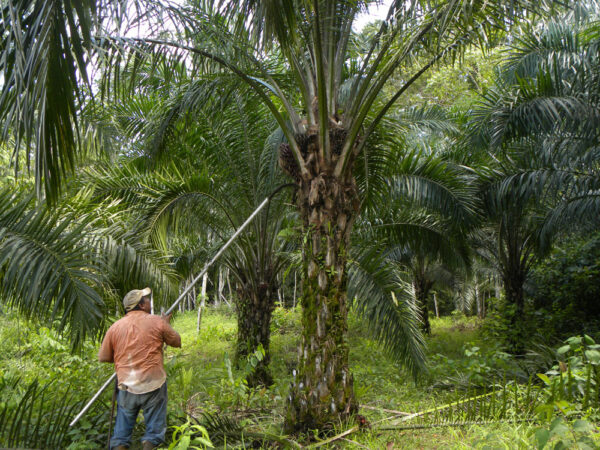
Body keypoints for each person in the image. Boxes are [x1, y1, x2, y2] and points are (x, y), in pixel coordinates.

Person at [98, 287, 181, 450]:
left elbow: (104, 357)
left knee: (121, 436)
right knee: (154, 434)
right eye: (147, 299)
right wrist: (165, 325)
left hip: (127, 386)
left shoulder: (115, 327)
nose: (149, 301)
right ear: (141, 305)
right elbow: (176, 341)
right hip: (153, 384)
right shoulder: (157, 321)